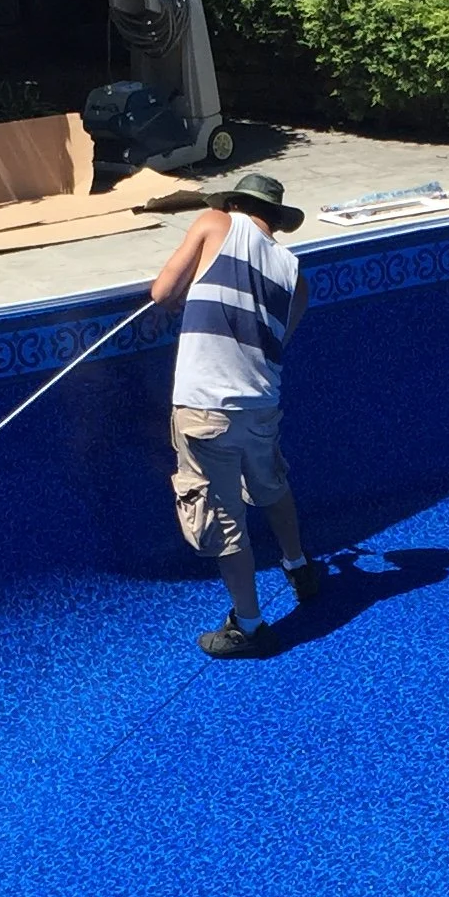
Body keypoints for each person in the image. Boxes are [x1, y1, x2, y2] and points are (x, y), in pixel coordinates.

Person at [150, 169, 319, 657]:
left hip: (207, 405)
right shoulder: (294, 272)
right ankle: (298, 565)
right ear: (277, 221)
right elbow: (276, 341)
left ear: (237, 204)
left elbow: (163, 295)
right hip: (260, 401)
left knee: (224, 517)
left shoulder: (213, 222)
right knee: (271, 486)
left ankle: (248, 624)